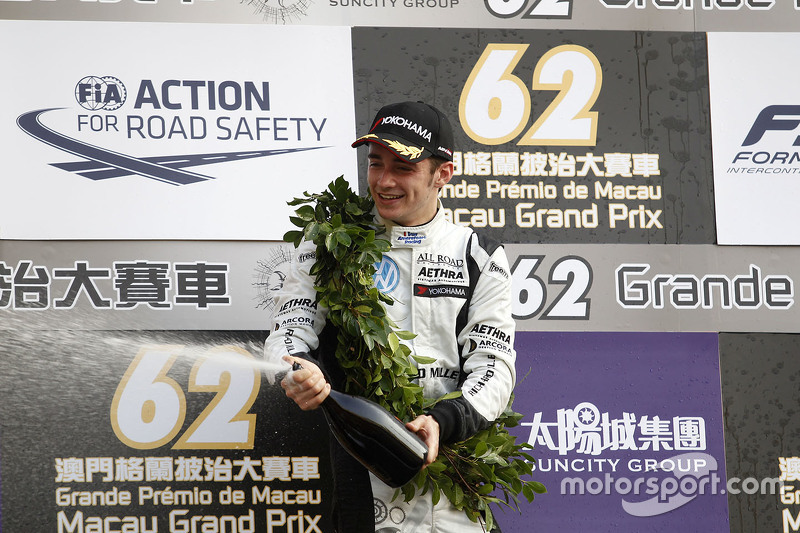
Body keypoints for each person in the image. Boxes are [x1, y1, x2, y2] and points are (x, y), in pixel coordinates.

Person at [264, 101, 517, 532]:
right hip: (364, 468)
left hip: (455, 466)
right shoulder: (328, 244)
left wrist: (442, 421)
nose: (383, 181)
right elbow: (289, 331)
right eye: (375, 163)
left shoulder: (480, 254)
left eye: (403, 166)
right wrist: (296, 371)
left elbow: (495, 368)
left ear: (443, 174)